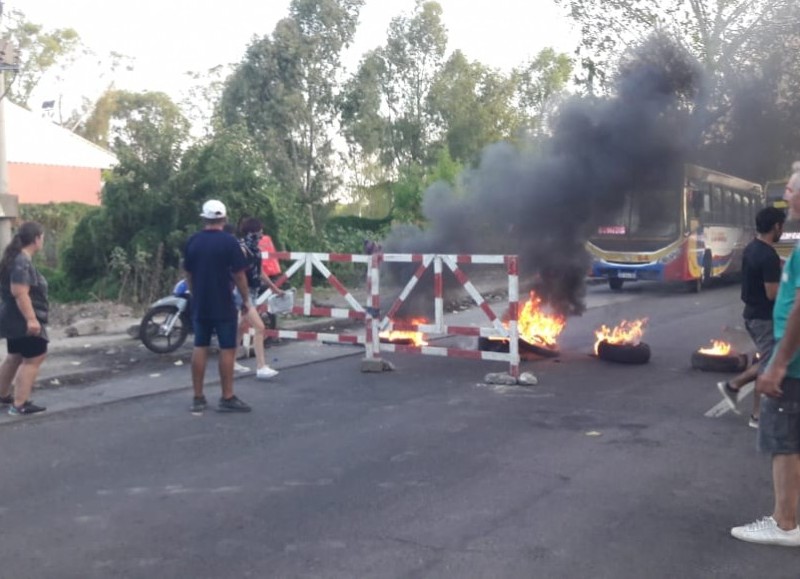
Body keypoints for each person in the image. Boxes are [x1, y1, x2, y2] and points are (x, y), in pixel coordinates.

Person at [730, 165, 800, 546]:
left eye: (790, 189)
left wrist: (779, 364)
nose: (786, 195)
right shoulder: (773, 253)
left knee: (784, 443)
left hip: (794, 364)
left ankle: (785, 524)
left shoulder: (783, 252)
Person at [717, 206, 785, 427]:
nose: (782, 231)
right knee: (768, 364)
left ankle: (735, 387)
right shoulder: (769, 256)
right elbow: (772, 292)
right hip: (764, 318)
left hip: (752, 315)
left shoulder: (752, 249)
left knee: (769, 359)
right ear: (776, 227)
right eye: (781, 227)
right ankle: (756, 414)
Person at [183, 200, 252, 414]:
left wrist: (195, 294)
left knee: (200, 346)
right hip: (223, 302)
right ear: (224, 218)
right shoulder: (230, 242)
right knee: (227, 348)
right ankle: (227, 396)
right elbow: (239, 275)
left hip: (201, 303)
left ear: (204, 218)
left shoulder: (193, 241)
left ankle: (198, 397)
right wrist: (246, 300)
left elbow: (188, 273)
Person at [0, 222, 49, 416]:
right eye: (42, 237)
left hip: (12, 317)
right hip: (22, 319)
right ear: (36, 239)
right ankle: (19, 404)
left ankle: (3, 396)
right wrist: (31, 319)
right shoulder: (22, 261)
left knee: (15, 357)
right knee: (35, 357)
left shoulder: (14, 258)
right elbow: (20, 292)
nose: (42, 241)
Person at [234, 216, 283, 380]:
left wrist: (274, 288)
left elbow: (259, 271)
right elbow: (238, 273)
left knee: (242, 327)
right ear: (251, 232)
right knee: (260, 327)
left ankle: (230, 360)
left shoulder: (254, 249)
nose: (261, 235)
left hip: (252, 292)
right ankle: (261, 366)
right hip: (244, 293)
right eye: (258, 231)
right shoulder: (242, 249)